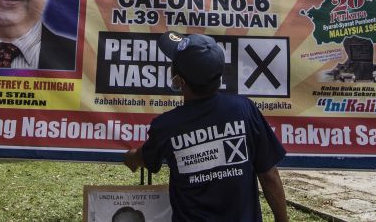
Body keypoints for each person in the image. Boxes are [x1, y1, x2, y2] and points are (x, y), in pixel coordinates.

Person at [123, 31, 289, 222]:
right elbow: (269, 176)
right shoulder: (244, 110)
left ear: (179, 80)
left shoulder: (166, 126)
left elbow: (143, 158)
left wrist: (130, 158)